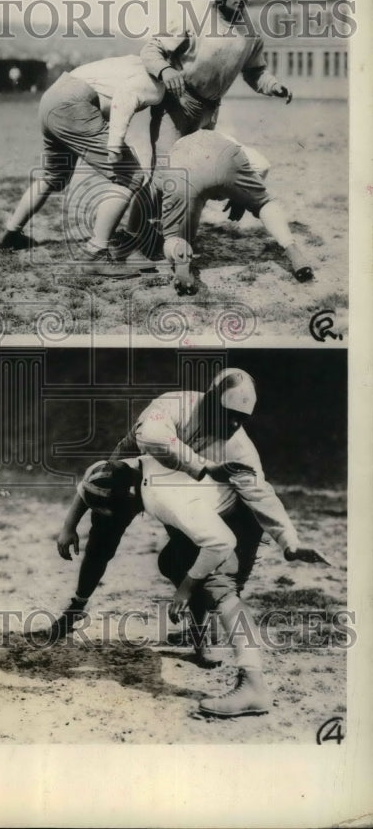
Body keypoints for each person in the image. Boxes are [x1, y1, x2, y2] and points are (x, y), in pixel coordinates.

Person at [51, 368, 329, 717]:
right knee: (170, 561)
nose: (231, 426)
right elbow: (103, 473)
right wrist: (69, 526)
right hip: (193, 499)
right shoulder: (166, 420)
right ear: (209, 401)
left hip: (229, 520)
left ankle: (253, 685)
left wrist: (288, 541)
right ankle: (195, 633)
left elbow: (239, 518)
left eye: (240, 420)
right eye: (227, 416)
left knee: (218, 588)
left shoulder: (222, 461)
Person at [0, 55, 164, 275]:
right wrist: (114, 146)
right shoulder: (156, 82)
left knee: (53, 177)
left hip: (52, 98)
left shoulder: (134, 60)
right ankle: (96, 254)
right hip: (74, 103)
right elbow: (122, 101)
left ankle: (11, 234)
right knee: (130, 176)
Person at [141, 0, 293, 163]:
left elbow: (254, 72)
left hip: (210, 112)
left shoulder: (250, 33)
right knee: (166, 172)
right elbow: (151, 50)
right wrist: (165, 70)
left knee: (199, 175)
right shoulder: (194, 17)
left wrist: (274, 86)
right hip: (177, 104)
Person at [148, 129, 314, 293]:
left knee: (174, 237)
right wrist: (241, 198)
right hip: (224, 158)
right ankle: (291, 248)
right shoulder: (222, 136)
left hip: (183, 172)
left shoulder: (171, 151)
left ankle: (180, 258)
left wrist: (167, 225)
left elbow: (156, 188)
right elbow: (263, 165)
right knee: (264, 203)